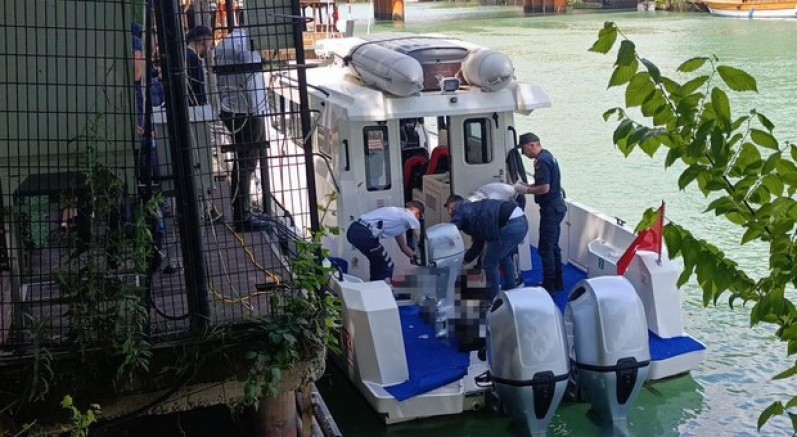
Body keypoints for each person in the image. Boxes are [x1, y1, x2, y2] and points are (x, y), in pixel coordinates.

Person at [214, 28, 270, 232]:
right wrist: (257, 111)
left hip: (229, 108)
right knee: (247, 163)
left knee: (241, 161)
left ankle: (242, 212)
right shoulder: (247, 47)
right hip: (247, 111)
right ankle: (243, 217)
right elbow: (252, 84)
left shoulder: (224, 44)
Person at [445, 194, 528, 299]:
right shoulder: (474, 208)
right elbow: (479, 240)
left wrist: (458, 260)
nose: (449, 213)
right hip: (520, 221)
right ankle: (511, 290)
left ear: (452, 207)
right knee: (503, 256)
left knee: (489, 263)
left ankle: (492, 300)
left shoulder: (460, 211)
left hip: (510, 225)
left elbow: (449, 231)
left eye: (449, 209)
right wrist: (466, 260)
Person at [513, 132, 566, 294]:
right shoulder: (548, 156)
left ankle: (549, 287)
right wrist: (528, 185)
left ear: (531, 145)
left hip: (550, 209)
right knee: (553, 246)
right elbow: (544, 182)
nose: (524, 154)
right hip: (556, 207)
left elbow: (544, 188)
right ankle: (558, 282)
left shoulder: (541, 161)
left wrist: (526, 190)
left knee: (545, 248)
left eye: (524, 149)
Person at [346, 201, 425, 282]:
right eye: (419, 217)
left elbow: (403, 247)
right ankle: (380, 286)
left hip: (354, 230)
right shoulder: (408, 214)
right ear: (417, 212)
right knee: (386, 265)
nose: (418, 219)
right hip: (363, 232)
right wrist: (424, 253)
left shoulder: (399, 220)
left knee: (377, 262)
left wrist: (414, 257)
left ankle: (374, 285)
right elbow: (420, 238)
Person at [185, 25, 213, 106]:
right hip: (194, 106)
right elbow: (199, 89)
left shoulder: (184, 56)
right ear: (204, 42)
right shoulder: (194, 60)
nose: (210, 49)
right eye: (209, 45)